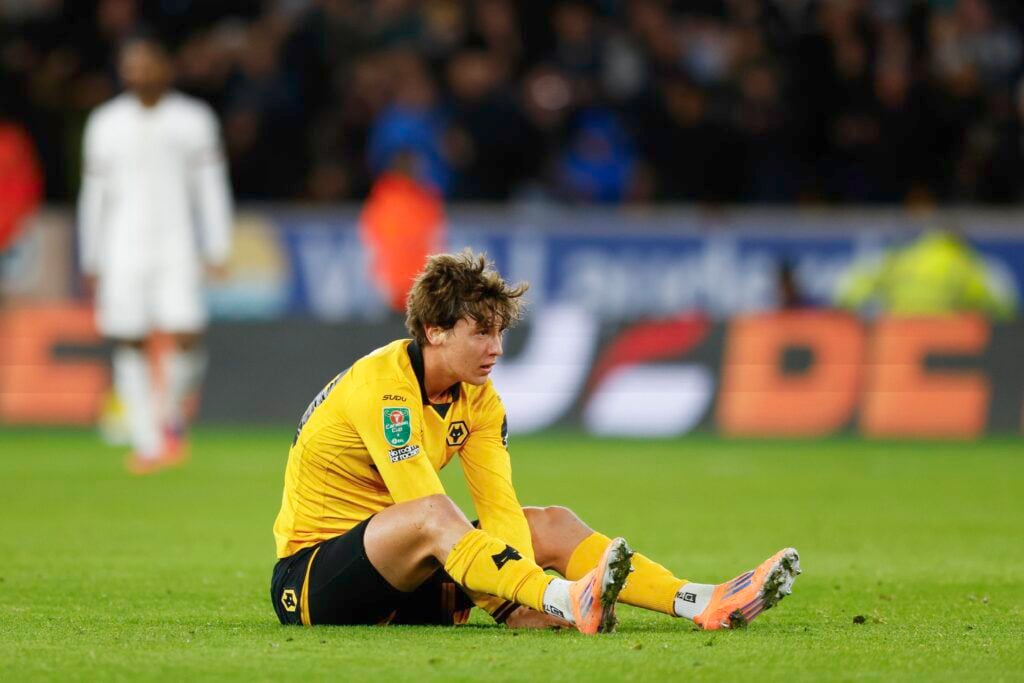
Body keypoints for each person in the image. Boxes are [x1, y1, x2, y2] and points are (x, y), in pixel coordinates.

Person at [271, 250, 800, 633]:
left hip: (409, 581)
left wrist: (516, 599)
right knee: (433, 512)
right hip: (316, 582)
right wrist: (525, 598)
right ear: (434, 330)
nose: (496, 349)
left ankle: (700, 601)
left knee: (549, 522)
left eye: (501, 333)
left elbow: (498, 511)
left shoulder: (478, 398)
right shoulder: (383, 388)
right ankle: (566, 599)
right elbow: (420, 510)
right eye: (481, 332)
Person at [77, 29, 233, 474]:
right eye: (131, 64)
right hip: (122, 246)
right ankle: (148, 440)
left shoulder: (193, 119)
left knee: (185, 333)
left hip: (177, 244)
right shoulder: (105, 122)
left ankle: (167, 419)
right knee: (129, 336)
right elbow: (94, 194)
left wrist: (216, 244)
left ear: (165, 67)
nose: (138, 71)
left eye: (147, 62)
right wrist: (91, 255)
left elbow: (210, 187)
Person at [835, 228, 1016, 320]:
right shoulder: (965, 264)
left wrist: (859, 310)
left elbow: (856, 285)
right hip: (940, 336)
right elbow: (1000, 305)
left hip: (897, 330)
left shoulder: (904, 255)